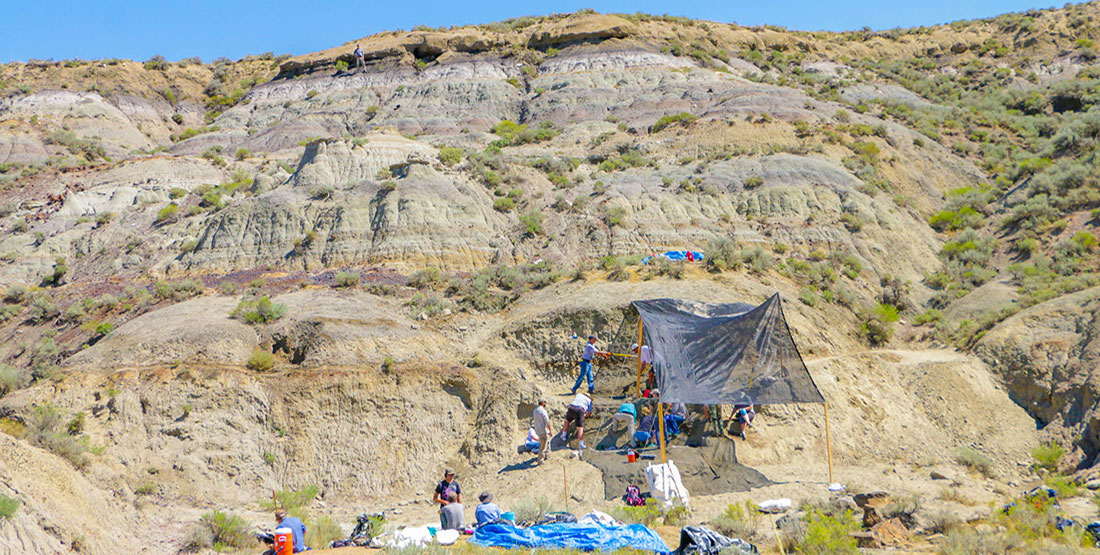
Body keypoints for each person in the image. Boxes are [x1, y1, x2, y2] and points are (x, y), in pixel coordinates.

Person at [531, 398, 553, 465]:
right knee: (542, 446)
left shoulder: (535, 410)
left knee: (546, 442)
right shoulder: (542, 411)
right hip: (543, 430)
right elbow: (547, 422)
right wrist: (550, 430)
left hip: (538, 430)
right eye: (545, 402)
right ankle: (540, 461)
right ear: (543, 403)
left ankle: (546, 455)